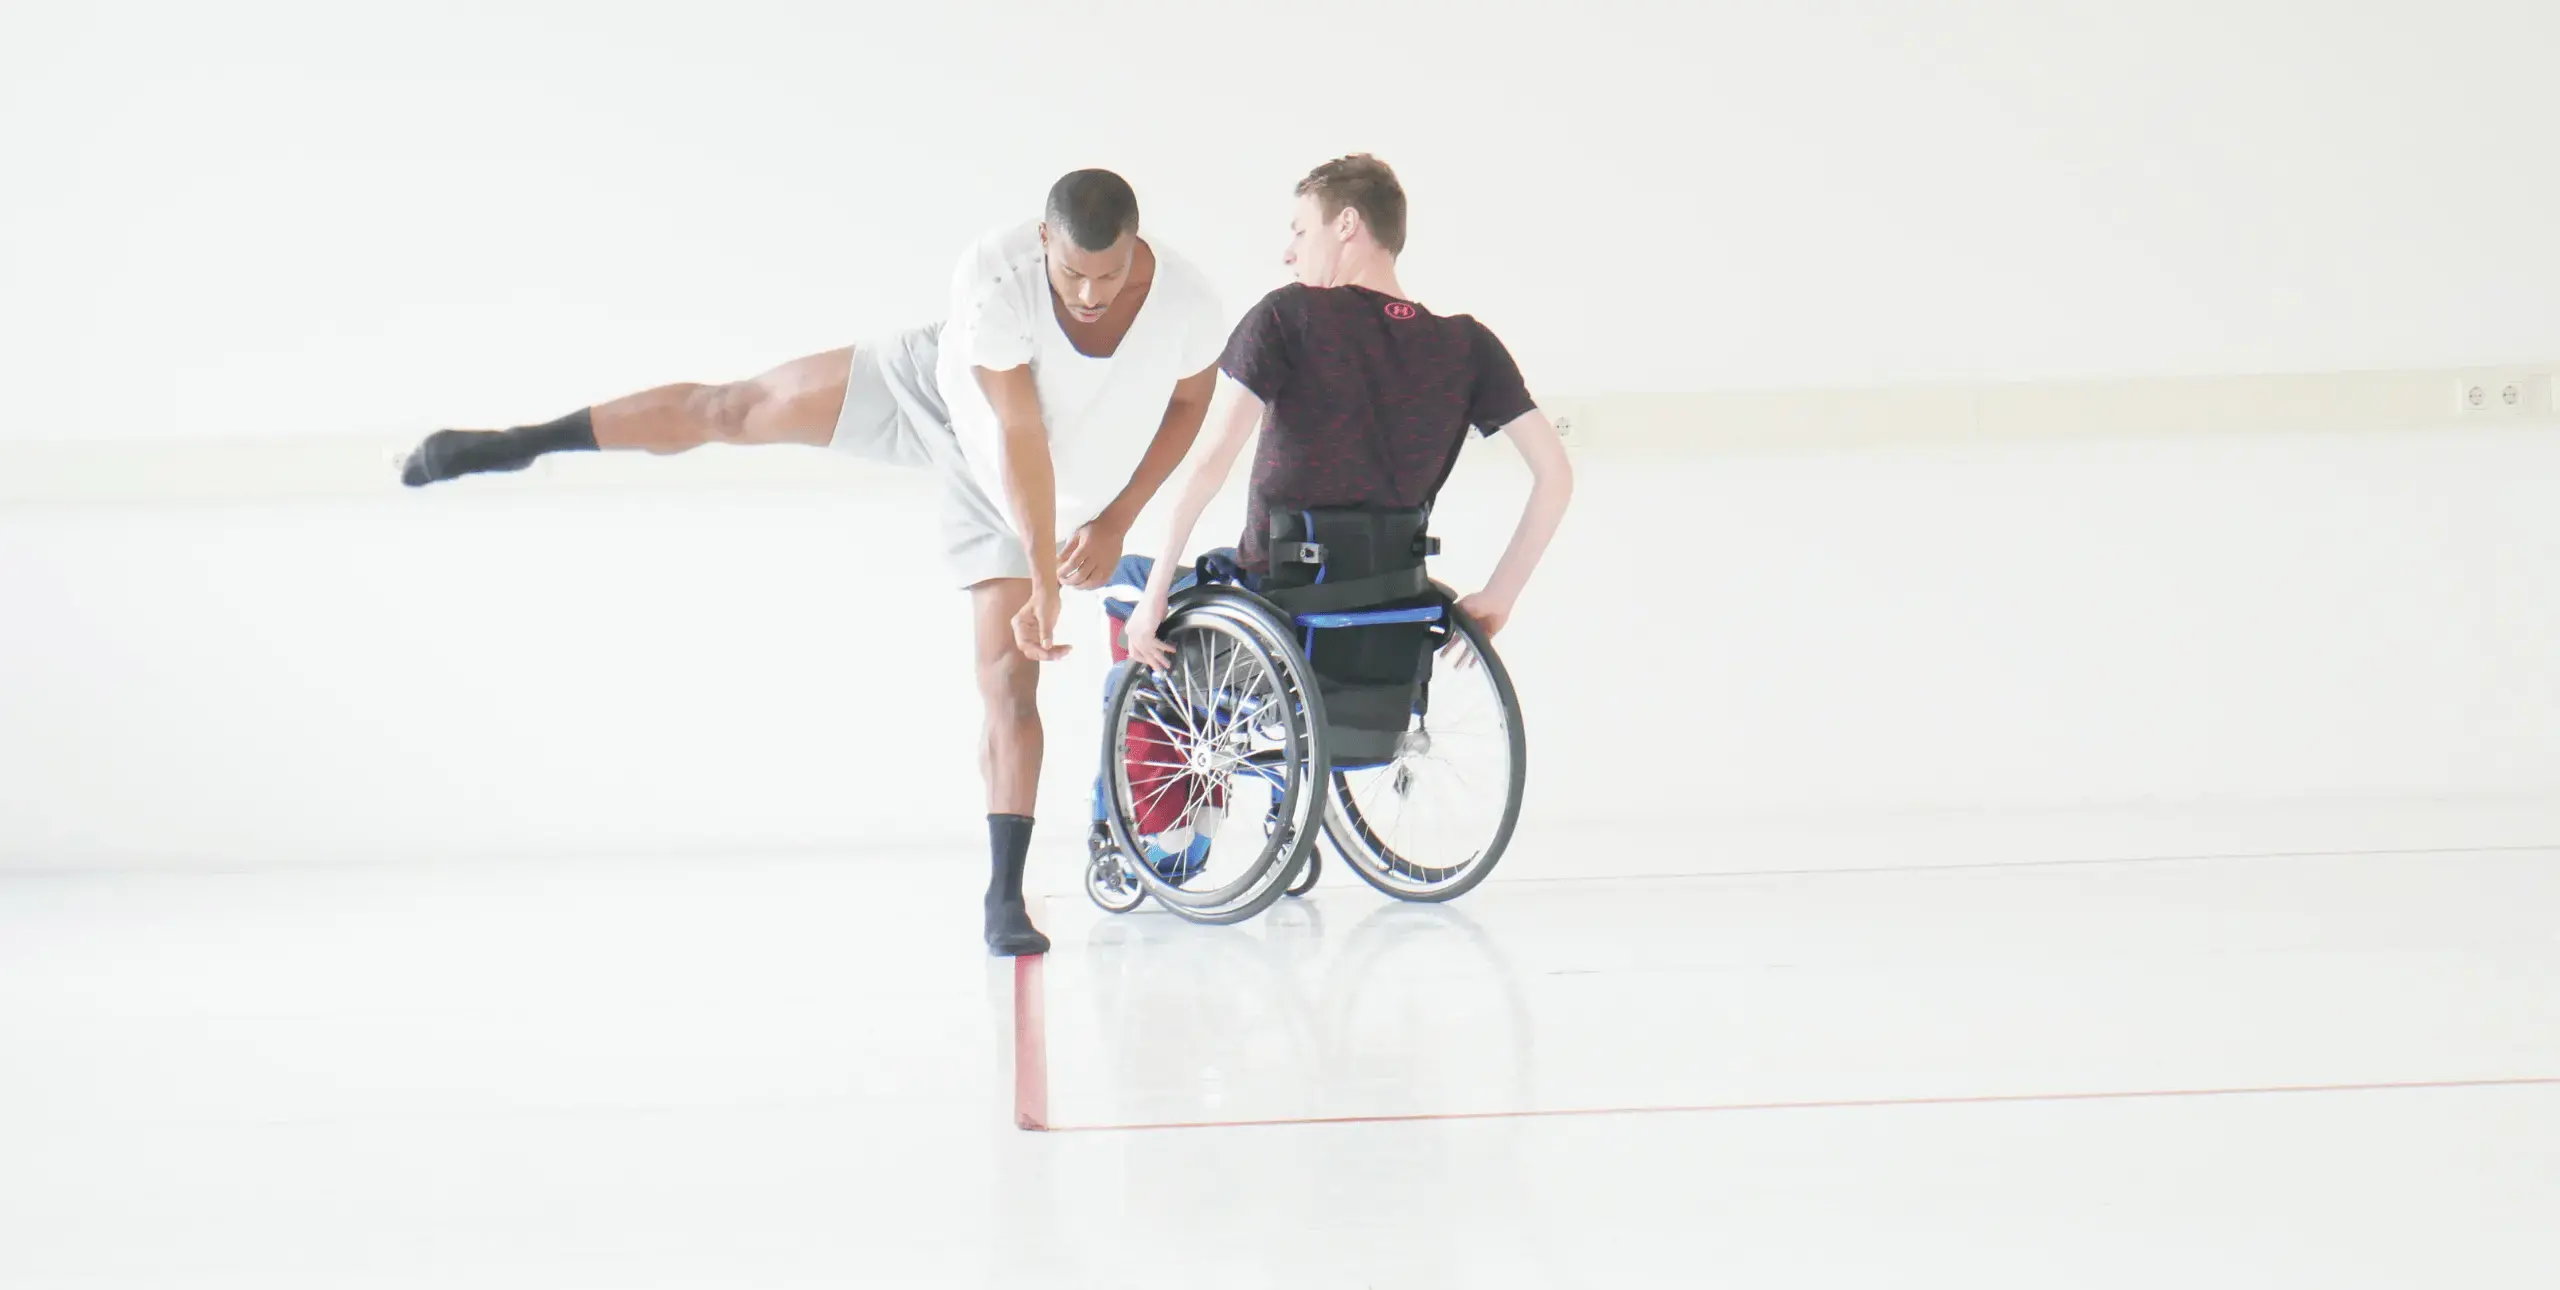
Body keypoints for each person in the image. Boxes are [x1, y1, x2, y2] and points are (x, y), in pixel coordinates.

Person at [395, 170, 1231, 956]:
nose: (1089, 296)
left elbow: (1190, 402)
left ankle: (1002, 897)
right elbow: (1011, 429)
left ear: (1136, 248)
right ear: (1044, 239)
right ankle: (522, 443)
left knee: (1010, 678)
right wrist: (1047, 580)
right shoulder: (996, 274)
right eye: (1072, 275)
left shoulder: (1188, 303)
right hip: (950, 401)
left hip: (1025, 483)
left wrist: (1118, 520)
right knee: (735, 407)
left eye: (1109, 277)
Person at [1100, 153, 1574, 858]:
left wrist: (1155, 594)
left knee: (1127, 588)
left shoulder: (1288, 317)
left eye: (1299, 229)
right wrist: (1500, 594)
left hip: (1278, 596)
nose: (1287, 251)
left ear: (1347, 224)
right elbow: (1556, 474)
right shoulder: (1466, 345)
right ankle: (1265, 803)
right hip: (1391, 599)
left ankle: (1171, 830)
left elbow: (1208, 464)